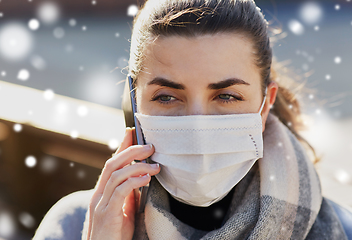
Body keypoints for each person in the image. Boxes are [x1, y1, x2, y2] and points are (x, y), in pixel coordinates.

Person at [33, 0, 352, 239]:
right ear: (134, 103)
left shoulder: (341, 229)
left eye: (226, 96)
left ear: (265, 103)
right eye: (167, 97)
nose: (198, 127)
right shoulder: (74, 226)